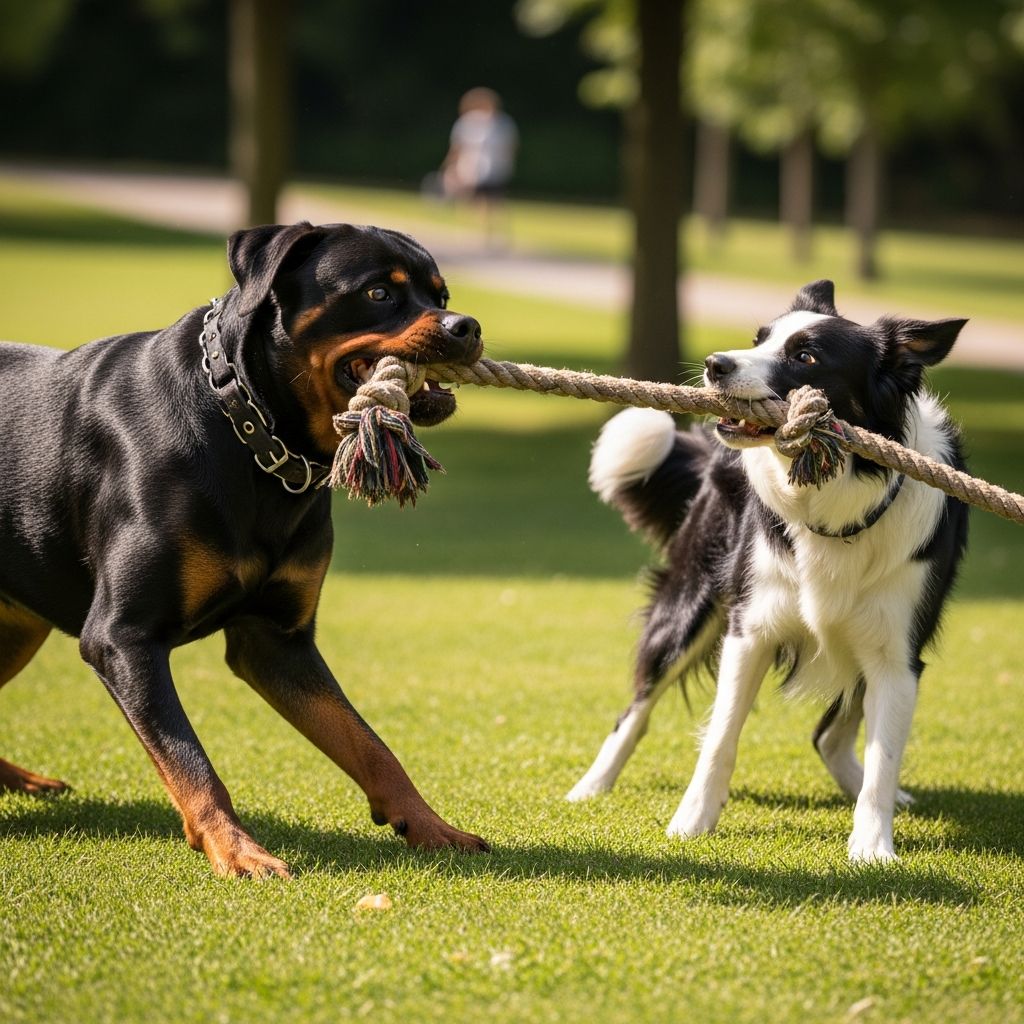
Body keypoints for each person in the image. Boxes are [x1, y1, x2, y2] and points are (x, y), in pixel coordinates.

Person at [441, 87, 518, 247]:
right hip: (470, 170)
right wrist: (452, 165)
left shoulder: (503, 124)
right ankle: (475, 231)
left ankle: (493, 234)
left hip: (495, 170)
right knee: (471, 200)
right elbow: (458, 147)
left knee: (493, 202)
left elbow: (510, 147)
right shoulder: (468, 122)